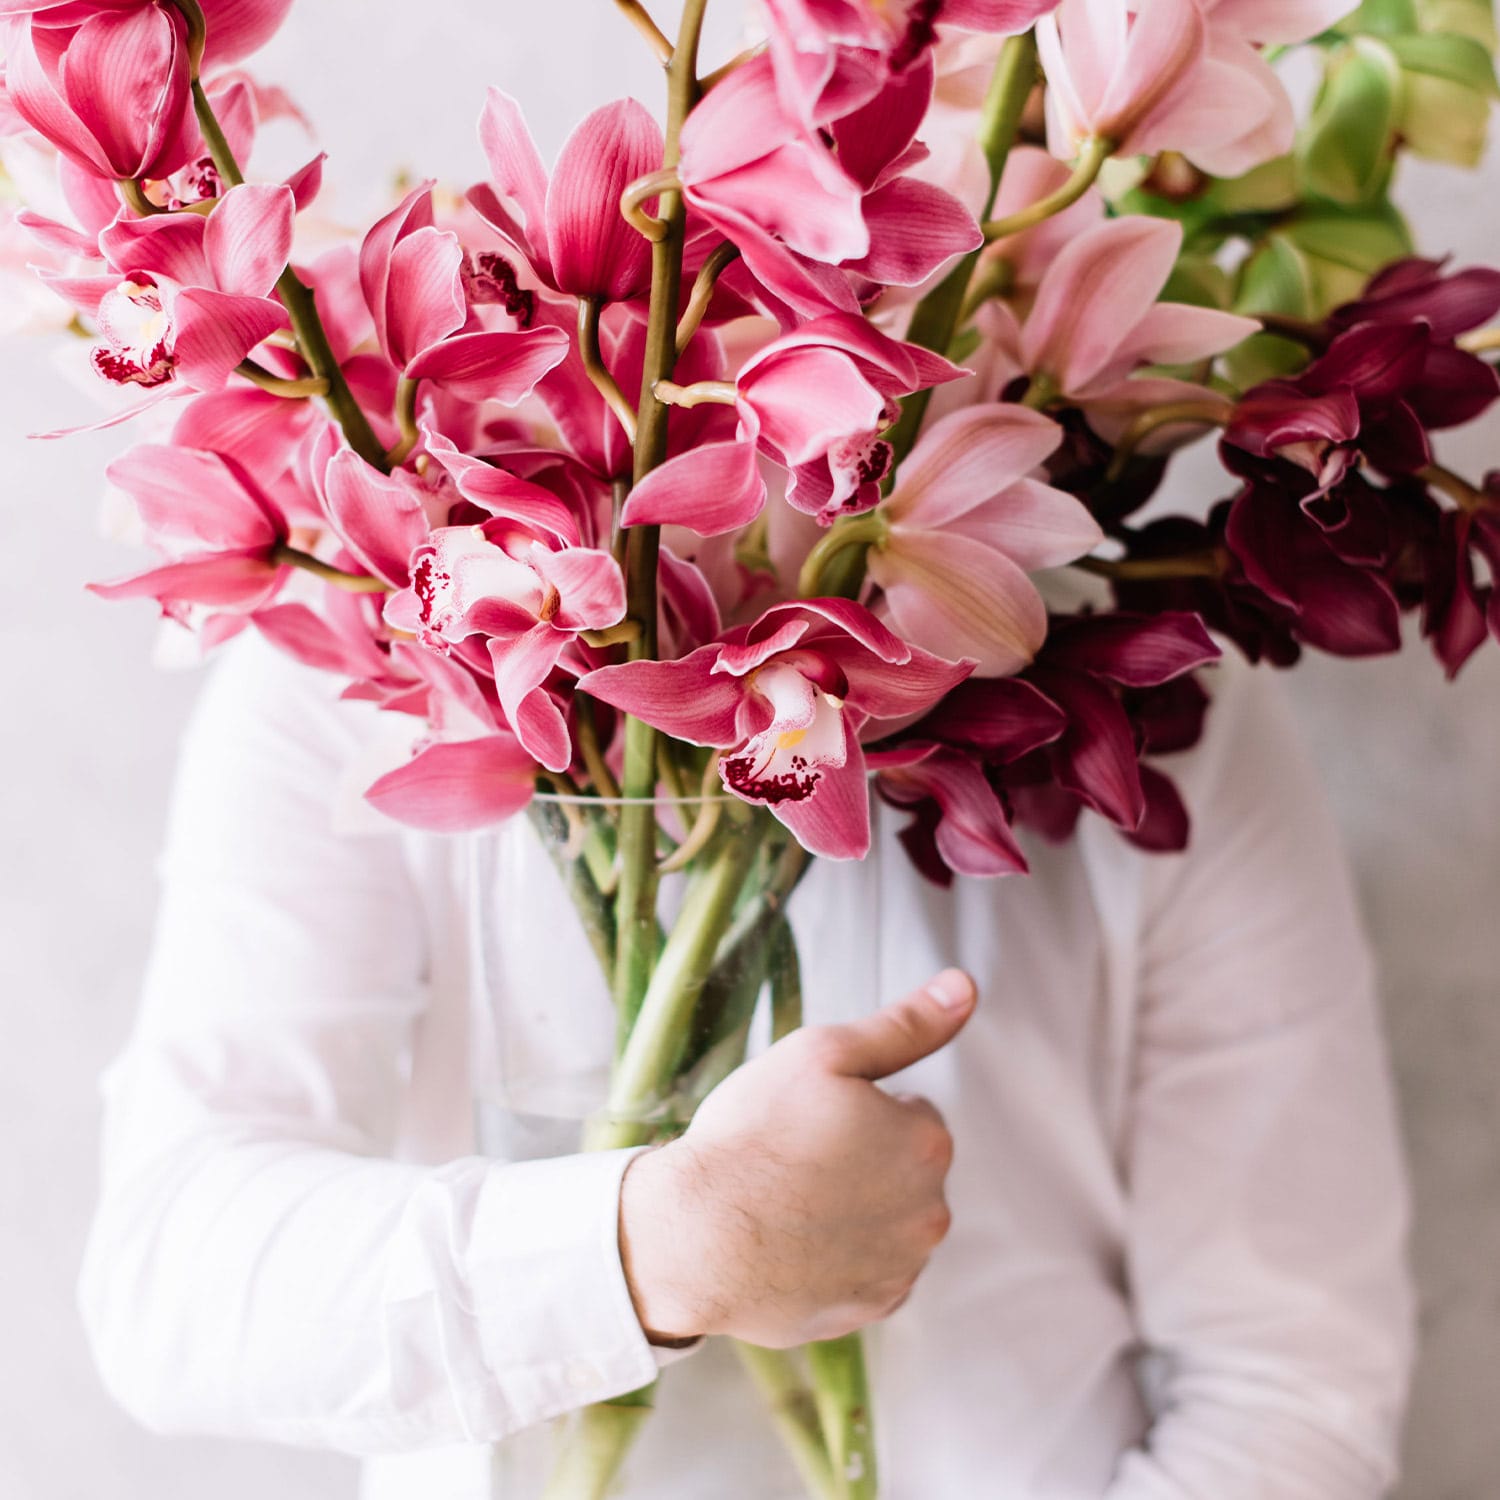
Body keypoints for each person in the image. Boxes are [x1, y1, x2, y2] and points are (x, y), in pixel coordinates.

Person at [76, 624, 1414, 1499]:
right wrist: (657, 1249)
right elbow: (168, 1285)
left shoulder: (1146, 698)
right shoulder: (349, 673)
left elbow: (1293, 1382)